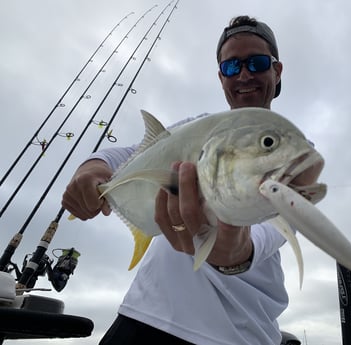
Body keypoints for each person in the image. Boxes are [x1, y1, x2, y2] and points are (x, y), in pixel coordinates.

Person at [62, 15, 322, 345]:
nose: (244, 74)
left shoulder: (295, 155)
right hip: (145, 314)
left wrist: (235, 251)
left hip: (238, 333)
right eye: (231, 67)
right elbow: (126, 156)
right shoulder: (198, 129)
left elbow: (272, 229)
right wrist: (91, 172)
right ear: (221, 77)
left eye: (256, 63)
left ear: (277, 70)